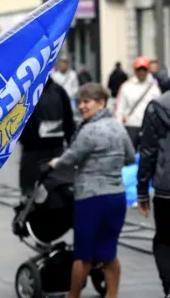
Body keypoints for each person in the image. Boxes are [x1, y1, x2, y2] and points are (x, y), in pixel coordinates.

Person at [49, 83, 135, 298]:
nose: (82, 107)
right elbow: (131, 157)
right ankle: (112, 295)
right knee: (109, 252)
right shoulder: (118, 127)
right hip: (116, 197)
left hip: (91, 198)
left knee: (83, 254)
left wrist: (53, 164)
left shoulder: (88, 130)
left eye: (87, 102)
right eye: (80, 102)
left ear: (101, 103)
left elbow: (70, 158)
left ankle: (73, 296)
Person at [137, 90, 170, 298]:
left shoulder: (157, 106)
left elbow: (148, 151)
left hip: (166, 187)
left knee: (165, 240)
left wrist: (141, 192)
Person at [18, 78, 75, 197]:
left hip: (33, 152)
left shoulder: (26, 91)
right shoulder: (59, 91)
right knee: (56, 193)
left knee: (31, 197)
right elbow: (69, 121)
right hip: (54, 150)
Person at [115, 56, 161, 150]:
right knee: (130, 155)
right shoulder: (126, 87)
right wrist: (119, 127)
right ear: (135, 70)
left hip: (149, 127)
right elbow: (120, 109)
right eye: (139, 69)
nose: (141, 72)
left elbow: (158, 108)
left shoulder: (154, 87)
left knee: (148, 154)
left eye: (144, 69)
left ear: (148, 70)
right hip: (131, 126)